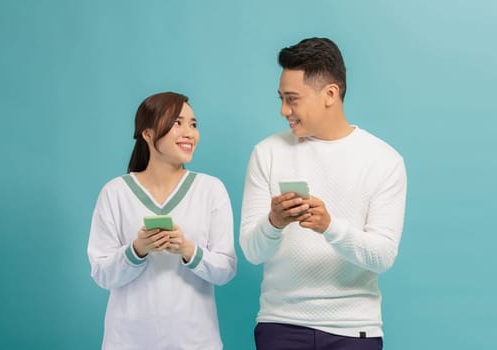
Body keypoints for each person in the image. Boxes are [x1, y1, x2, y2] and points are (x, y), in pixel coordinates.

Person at [239, 37, 408, 350]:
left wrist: (329, 227)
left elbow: (383, 256)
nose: (283, 110)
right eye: (281, 98)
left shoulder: (384, 160)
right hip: (281, 326)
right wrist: (274, 222)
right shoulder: (267, 153)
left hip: (355, 330)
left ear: (330, 94)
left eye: (292, 99)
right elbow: (252, 251)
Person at [87, 92, 237, 349]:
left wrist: (188, 250)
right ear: (147, 133)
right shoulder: (116, 193)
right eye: (177, 123)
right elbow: (102, 274)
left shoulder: (210, 190)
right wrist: (137, 250)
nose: (189, 133)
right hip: (127, 341)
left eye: (193, 124)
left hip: (195, 341)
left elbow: (225, 270)